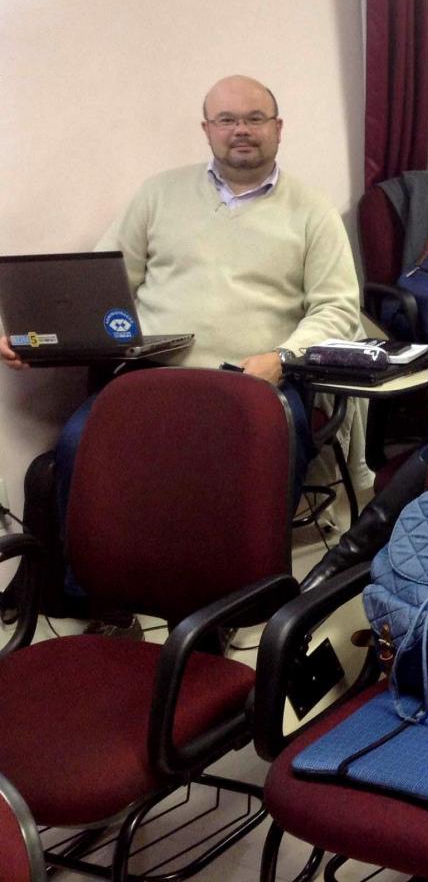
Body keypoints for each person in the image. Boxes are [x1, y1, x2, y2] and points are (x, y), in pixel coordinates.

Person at [1, 75, 360, 622]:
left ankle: (246, 600)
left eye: (255, 118)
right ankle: (96, 600)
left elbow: (337, 310)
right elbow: (102, 288)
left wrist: (282, 358)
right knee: (80, 440)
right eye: (226, 120)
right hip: (154, 377)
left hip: (255, 379)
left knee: (272, 446)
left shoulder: (312, 211)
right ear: (207, 130)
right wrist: (45, 341)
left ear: (278, 128)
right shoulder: (158, 194)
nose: (241, 130)